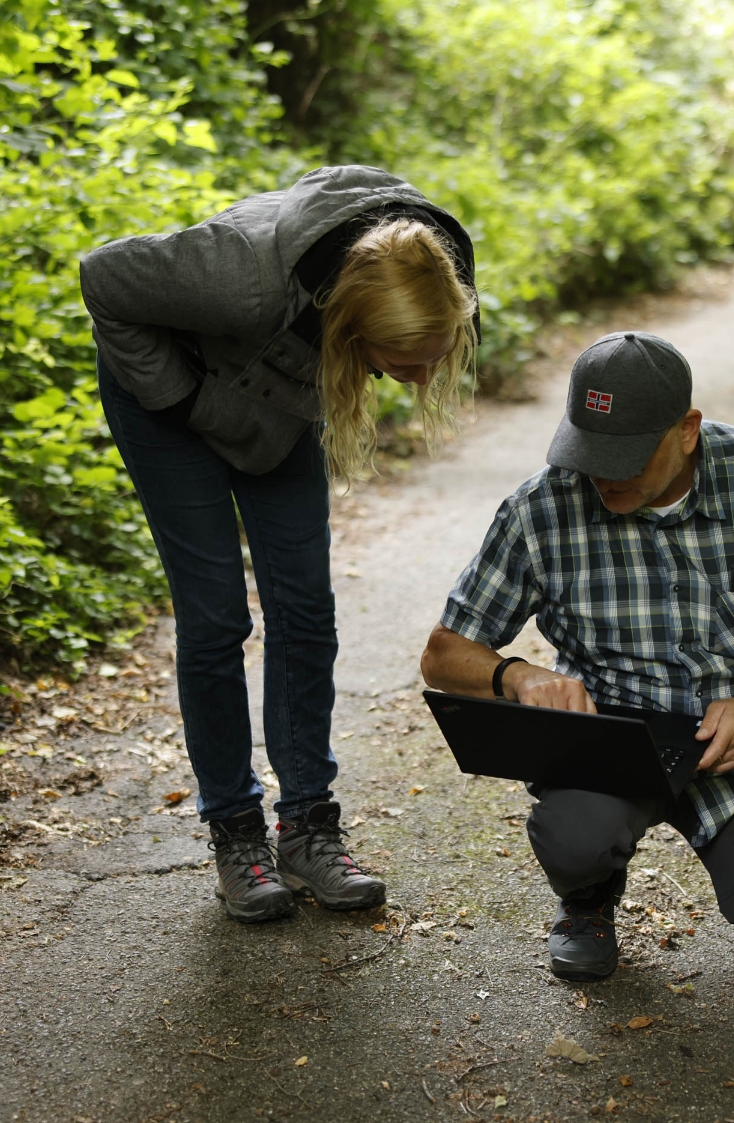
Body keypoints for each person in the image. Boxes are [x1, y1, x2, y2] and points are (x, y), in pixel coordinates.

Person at [420, 331, 734, 1016]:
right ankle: (588, 897)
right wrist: (518, 677)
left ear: (687, 431)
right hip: (611, 746)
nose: (605, 479)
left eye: (627, 458)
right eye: (589, 454)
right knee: (575, 836)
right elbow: (444, 654)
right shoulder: (541, 508)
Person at [81, 165, 479, 923]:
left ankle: (307, 827)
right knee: (216, 616)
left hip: (275, 399)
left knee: (304, 607)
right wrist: (185, 399)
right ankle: (236, 833)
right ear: (353, 322)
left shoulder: (432, 275)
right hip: (170, 401)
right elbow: (103, 276)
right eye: (404, 358)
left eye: (433, 352)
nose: (420, 375)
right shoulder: (241, 283)